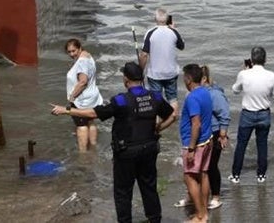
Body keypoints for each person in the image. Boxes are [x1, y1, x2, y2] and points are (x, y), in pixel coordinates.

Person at [51, 62, 176, 223]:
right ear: (142, 78)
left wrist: (66, 110)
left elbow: (94, 113)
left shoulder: (121, 101)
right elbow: (172, 115)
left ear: (126, 80)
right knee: (149, 187)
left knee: (123, 191)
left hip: (126, 153)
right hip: (149, 149)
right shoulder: (156, 97)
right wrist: (158, 128)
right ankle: (155, 219)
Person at [174, 65, 230, 212]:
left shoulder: (207, 94)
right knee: (202, 172)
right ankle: (197, 203)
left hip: (205, 137)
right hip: (206, 136)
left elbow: (197, 123)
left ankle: (207, 206)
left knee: (199, 172)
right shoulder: (203, 93)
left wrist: (223, 134)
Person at [229, 46, 274, 184]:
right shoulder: (271, 75)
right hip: (264, 113)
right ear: (265, 60)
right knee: (262, 144)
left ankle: (236, 175)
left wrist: (244, 72)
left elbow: (235, 90)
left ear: (251, 59)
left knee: (241, 144)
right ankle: (261, 175)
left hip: (247, 114)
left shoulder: (244, 74)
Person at [179, 64, 213, 223]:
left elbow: (196, 123)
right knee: (204, 174)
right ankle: (204, 211)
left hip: (195, 144)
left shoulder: (192, 97)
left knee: (189, 177)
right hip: (207, 140)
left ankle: (200, 215)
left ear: (189, 79)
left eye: (184, 77)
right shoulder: (206, 92)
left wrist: (191, 148)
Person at [139, 8, 185, 117]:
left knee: (156, 100)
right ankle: (173, 120)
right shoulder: (173, 32)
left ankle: (157, 125)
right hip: (171, 72)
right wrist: (174, 29)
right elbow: (182, 46)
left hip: (155, 74)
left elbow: (144, 54)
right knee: (173, 99)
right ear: (168, 19)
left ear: (155, 18)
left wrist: (140, 70)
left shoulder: (150, 33)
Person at [64, 38, 103, 153]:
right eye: (69, 52)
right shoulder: (88, 56)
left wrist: (72, 97)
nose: (71, 54)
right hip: (93, 97)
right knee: (91, 122)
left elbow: (82, 82)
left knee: (81, 125)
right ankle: (93, 147)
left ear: (80, 48)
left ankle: (83, 153)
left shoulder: (81, 62)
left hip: (82, 100)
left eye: (74, 51)